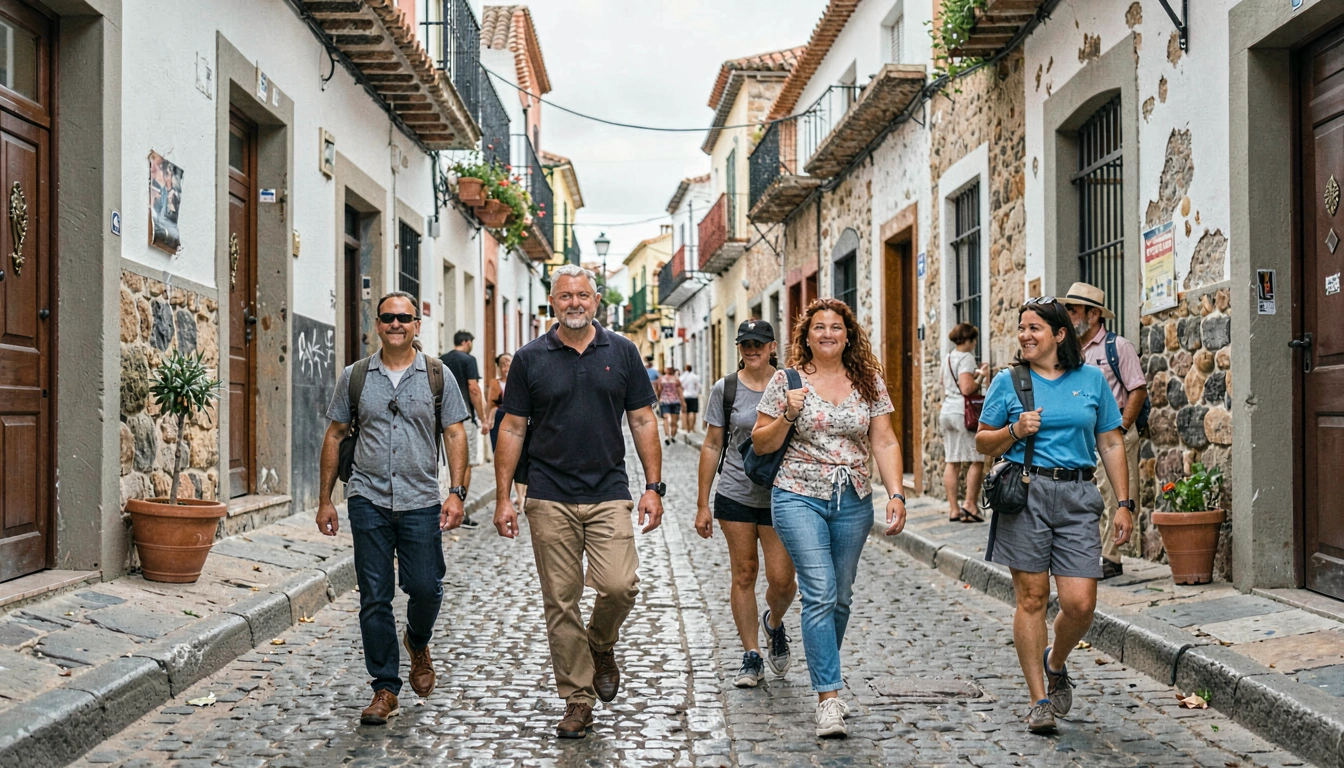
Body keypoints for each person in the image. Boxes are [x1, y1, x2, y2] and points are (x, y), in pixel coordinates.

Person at [492, 264, 665, 740]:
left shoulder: (623, 351)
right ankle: (577, 698)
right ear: (553, 302)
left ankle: (601, 642)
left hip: (609, 490)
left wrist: (653, 485)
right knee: (560, 602)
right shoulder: (530, 358)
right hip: (548, 495)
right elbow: (512, 427)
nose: (574, 302)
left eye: (583, 295)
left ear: (596, 302)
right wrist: (504, 496)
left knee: (619, 585)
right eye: (565, 295)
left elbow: (644, 421)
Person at [975, 297, 1134, 735]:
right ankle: (1038, 699)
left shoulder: (1092, 380)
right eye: (1022, 328)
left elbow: (1112, 443)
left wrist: (1124, 503)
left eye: (1035, 329)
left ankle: (1055, 661)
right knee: (1031, 598)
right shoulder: (1009, 382)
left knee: (1081, 603)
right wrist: (1014, 430)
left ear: (1059, 335)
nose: (1025, 335)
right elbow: (983, 443)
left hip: (1078, 495)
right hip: (1026, 494)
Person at [751, 298, 908, 738]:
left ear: (848, 335)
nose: (826, 334)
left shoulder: (869, 381)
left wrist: (895, 492)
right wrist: (788, 413)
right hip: (797, 495)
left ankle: (823, 671)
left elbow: (885, 441)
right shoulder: (788, 380)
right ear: (806, 335)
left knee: (840, 597)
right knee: (819, 592)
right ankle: (829, 700)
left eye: (835, 327)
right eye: (818, 327)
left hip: (853, 499)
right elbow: (761, 443)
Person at [316, 291, 470, 726]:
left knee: (425, 587)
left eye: (404, 317)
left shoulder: (438, 375)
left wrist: (456, 491)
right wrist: (326, 499)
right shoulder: (356, 376)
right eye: (388, 317)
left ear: (417, 325)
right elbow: (335, 435)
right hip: (368, 498)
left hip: (421, 499)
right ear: (377, 325)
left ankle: (417, 641)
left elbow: (455, 435)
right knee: (374, 596)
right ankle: (385, 687)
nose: (396, 324)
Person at [694, 320, 797, 689]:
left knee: (783, 579)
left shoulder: (791, 385)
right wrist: (703, 503)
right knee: (743, 573)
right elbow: (711, 444)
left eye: (758, 343)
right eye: (745, 344)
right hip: (735, 493)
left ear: (772, 347)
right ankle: (751, 655)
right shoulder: (727, 389)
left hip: (780, 494)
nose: (751, 349)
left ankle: (773, 623)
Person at [1063, 282, 1147, 580]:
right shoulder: (1069, 350)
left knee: (1115, 495)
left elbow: (1137, 390)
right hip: (1084, 437)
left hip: (1115, 434)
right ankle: (1091, 553)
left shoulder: (1117, 346)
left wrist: (1122, 427)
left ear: (1094, 314)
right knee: (1089, 494)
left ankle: (1111, 557)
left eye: (1073, 310)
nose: (1068, 315)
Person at [941, 323, 991, 523]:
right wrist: (981, 374)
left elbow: (943, 384)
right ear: (969, 340)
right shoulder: (967, 358)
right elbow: (967, 388)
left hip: (946, 410)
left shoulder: (947, 358)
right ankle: (970, 504)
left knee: (952, 461)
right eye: (974, 340)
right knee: (976, 459)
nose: (975, 343)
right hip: (963, 413)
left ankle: (953, 509)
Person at [441, 330, 489, 528]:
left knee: (444, 464)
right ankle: (458, 507)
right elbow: (474, 389)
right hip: (463, 417)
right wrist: (483, 417)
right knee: (464, 464)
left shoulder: (440, 359)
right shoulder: (469, 359)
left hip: (442, 418)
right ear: (467, 342)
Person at [486, 353, 527, 509]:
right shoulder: (496, 384)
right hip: (499, 419)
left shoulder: (521, 381)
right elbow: (490, 404)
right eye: (502, 364)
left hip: (518, 421)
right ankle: (507, 495)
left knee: (520, 458)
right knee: (503, 456)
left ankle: (520, 495)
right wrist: (487, 421)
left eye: (508, 363)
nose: (505, 367)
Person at [657, 366, 684, 445]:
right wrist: (683, 402)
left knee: (666, 418)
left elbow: (659, 390)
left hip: (664, 401)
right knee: (674, 420)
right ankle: (673, 436)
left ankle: (667, 436)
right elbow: (680, 392)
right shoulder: (676, 380)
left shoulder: (661, 379)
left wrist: (658, 399)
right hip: (675, 401)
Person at [681, 364, 702, 433]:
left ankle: (687, 428)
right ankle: (692, 427)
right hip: (693, 396)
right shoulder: (695, 377)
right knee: (692, 412)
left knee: (685, 412)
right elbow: (698, 386)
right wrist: (696, 393)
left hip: (685, 396)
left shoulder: (682, 377)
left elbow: (680, 387)